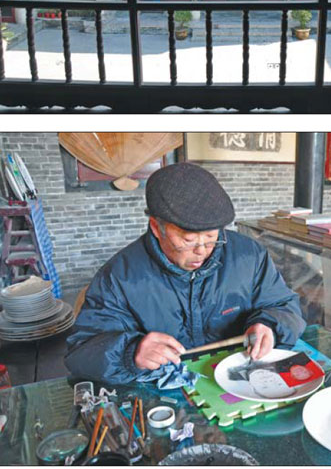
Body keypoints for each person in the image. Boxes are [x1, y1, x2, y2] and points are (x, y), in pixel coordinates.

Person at [65, 163, 305, 384]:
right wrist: (131, 353)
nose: (201, 251)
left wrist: (269, 325)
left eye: (212, 238)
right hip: (167, 395)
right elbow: (81, 353)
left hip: (240, 381)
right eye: (187, 241)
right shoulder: (120, 277)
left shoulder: (248, 256)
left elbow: (285, 306)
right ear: (156, 228)